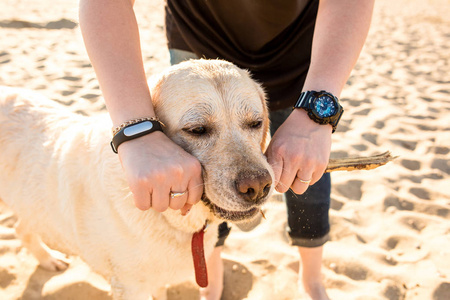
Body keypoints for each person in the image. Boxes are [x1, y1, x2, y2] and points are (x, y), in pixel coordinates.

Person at [79, 1, 374, 299]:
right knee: (198, 180)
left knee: (306, 168)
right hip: (196, 33)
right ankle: (211, 279)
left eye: (255, 124)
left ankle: (311, 279)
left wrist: (315, 114)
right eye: (198, 129)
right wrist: (139, 131)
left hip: (300, 49)